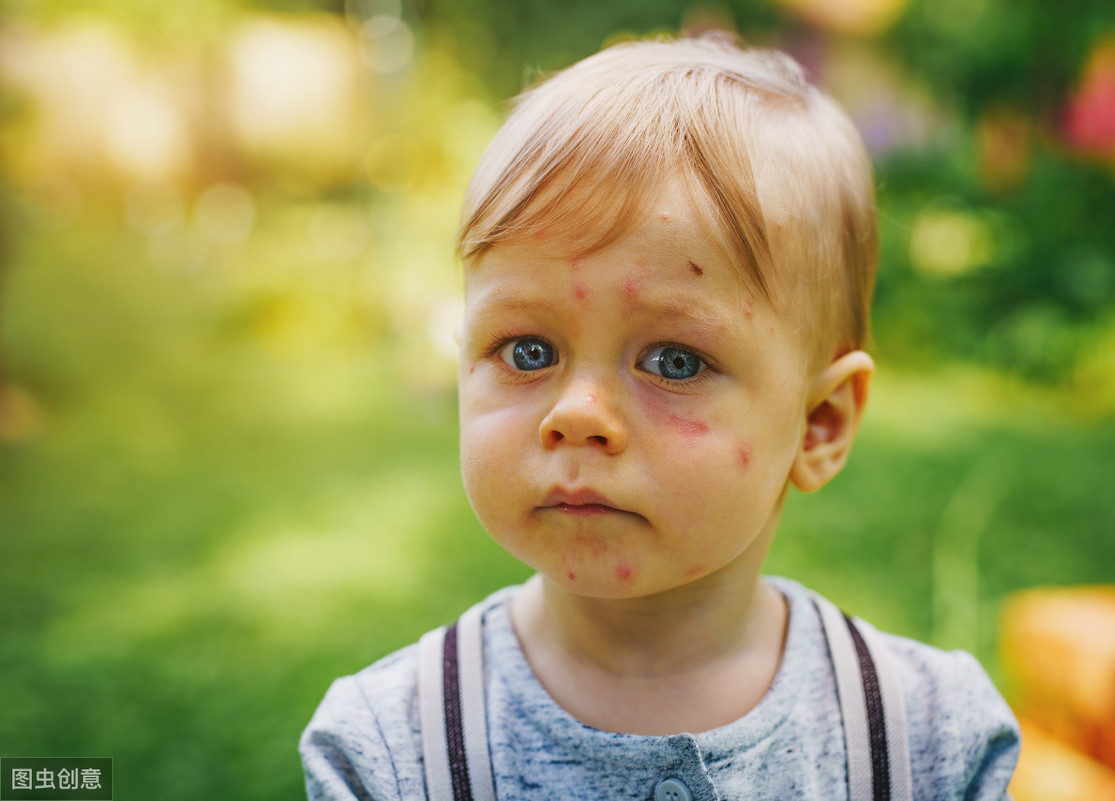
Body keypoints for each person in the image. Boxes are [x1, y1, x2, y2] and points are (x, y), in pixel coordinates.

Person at [300, 33, 1020, 800]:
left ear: (819, 424)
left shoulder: (925, 742)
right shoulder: (392, 749)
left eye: (673, 361)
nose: (576, 415)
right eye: (528, 349)